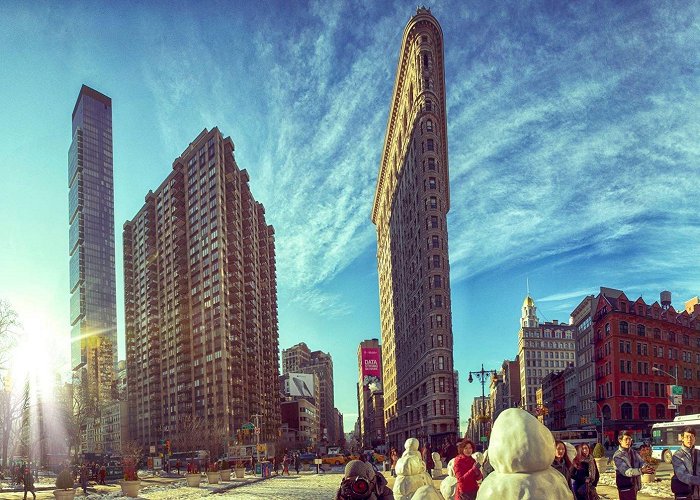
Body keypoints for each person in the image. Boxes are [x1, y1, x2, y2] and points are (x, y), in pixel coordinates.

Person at [613, 430, 654, 500]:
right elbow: (627, 471)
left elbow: (641, 462)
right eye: (626, 439)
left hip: (634, 485)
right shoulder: (618, 456)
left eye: (630, 439)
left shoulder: (633, 452)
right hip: (625, 486)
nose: (628, 441)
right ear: (620, 440)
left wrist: (647, 467)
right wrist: (641, 470)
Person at [672, 426, 700, 499]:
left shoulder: (698, 453)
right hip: (685, 494)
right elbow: (683, 476)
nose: (689, 439)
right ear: (682, 438)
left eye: (692, 437)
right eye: (687, 436)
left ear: (695, 438)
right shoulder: (677, 455)